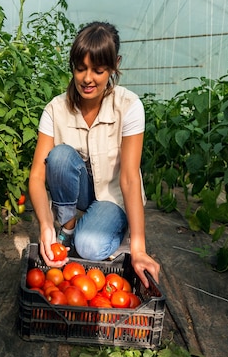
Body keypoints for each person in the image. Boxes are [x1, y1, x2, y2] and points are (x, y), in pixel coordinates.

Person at [28, 21, 160, 288]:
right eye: (80, 69)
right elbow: (37, 176)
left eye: (98, 70)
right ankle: (67, 227)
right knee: (60, 156)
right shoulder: (55, 109)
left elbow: (130, 179)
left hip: (112, 199)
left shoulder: (129, 106)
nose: (88, 79)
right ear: (72, 66)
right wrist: (45, 225)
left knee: (89, 246)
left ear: (114, 65)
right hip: (77, 198)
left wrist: (138, 248)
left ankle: (97, 228)